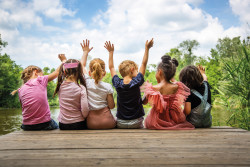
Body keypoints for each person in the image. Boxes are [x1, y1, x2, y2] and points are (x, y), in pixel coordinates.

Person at [105, 39, 154, 129]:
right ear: (132, 69)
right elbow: (144, 64)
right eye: (136, 69)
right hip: (136, 122)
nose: (137, 71)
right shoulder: (137, 81)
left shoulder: (117, 83)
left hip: (121, 123)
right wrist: (147, 48)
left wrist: (111, 52)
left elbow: (111, 67)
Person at [11, 54, 67, 130]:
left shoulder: (20, 89)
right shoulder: (40, 80)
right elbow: (57, 72)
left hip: (27, 126)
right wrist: (63, 60)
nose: (43, 76)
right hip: (44, 124)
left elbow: (23, 108)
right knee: (58, 128)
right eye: (42, 74)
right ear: (36, 72)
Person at [142, 55, 194, 130]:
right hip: (174, 119)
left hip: (157, 120)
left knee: (148, 123)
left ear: (159, 72)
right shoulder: (177, 87)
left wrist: (146, 91)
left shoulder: (154, 88)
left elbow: (144, 102)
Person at [80, 39, 116, 129]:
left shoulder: (86, 83)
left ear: (89, 72)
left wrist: (85, 52)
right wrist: (111, 52)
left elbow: (81, 66)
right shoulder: (107, 86)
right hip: (108, 123)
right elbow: (111, 106)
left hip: (91, 124)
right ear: (104, 73)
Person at [54, 58, 89, 130]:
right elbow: (85, 111)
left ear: (65, 72)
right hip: (78, 124)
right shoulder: (81, 88)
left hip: (63, 125)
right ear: (79, 72)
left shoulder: (60, 87)